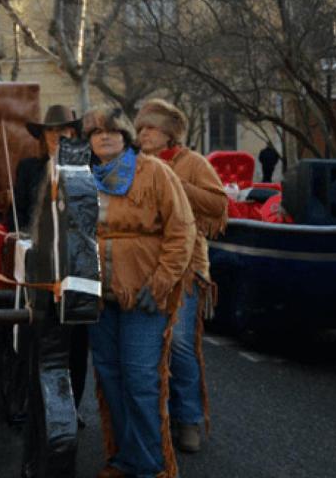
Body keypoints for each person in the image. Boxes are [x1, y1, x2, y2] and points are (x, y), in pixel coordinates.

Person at [82, 107, 195, 478]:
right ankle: (124, 458)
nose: (105, 136)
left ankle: (149, 467)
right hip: (98, 297)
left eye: (112, 129)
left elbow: (182, 232)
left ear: (126, 134)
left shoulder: (155, 173)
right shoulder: (80, 177)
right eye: (96, 131)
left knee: (141, 381)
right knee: (110, 380)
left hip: (144, 295)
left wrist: (161, 282)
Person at [136, 99, 228, 454]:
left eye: (150, 128)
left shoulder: (192, 163)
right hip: (144, 267)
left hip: (186, 268)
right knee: (147, 348)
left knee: (180, 343)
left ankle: (188, 419)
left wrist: (173, 182)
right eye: (140, 128)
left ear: (168, 133)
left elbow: (219, 205)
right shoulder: (137, 164)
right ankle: (156, 419)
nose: (143, 133)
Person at [14, 105, 91, 477]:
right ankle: (34, 405)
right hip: (36, 258)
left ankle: (70, 406)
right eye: (51, 131)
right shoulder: (29, 168)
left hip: (76, 263)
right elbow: (16, 210)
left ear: (75, 135)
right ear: (43, 137)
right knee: (35, 336)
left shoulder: (85, 169)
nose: (58, 137)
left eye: (65, 131)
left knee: (75, 338)